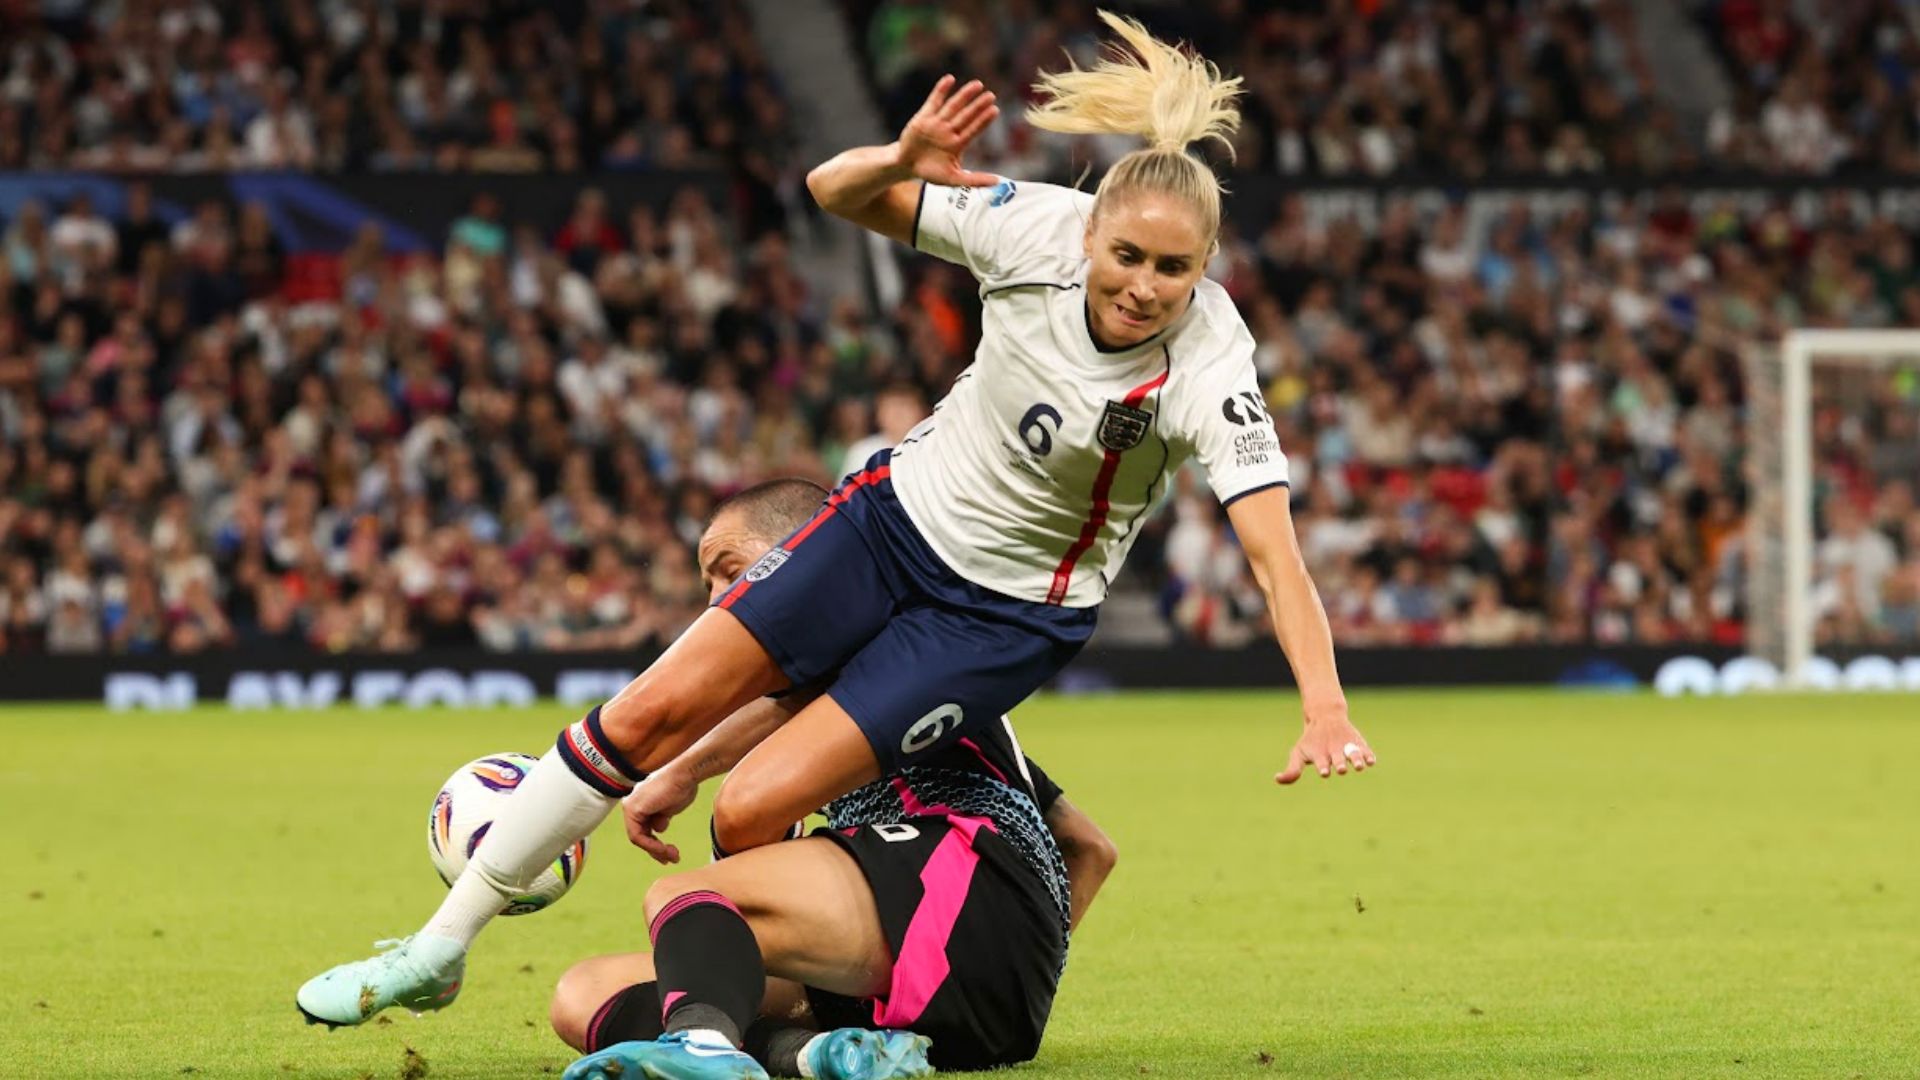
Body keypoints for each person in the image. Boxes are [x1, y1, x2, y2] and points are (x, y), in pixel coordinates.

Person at [298, 14, 1373, 1077]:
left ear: (1208, 268)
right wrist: (902, 162)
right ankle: (443, 946)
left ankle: (777, 1027)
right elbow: (833, 192)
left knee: (758, 806)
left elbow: (1275, 558)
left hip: (999, 613)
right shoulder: (1032, 228)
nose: (1142, 286)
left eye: (1173, 271)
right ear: (1089, 230)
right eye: (1127, 254)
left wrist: (1323, 704)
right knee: (648, 713)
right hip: (886, 520)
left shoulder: (1213, 368)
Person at [546, 479, 1118, 1079]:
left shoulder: (891, 639)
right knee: (585, 992)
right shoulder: (940, 699)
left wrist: (686, 770)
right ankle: (812, 1054)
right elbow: (1092, 849)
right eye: (708, 585)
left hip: (957, 888)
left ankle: (704, 1052)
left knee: (686, 895)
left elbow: (762, 776)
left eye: (730, 571)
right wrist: (1018, 978)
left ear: (810, 557)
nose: (718, 603)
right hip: (942, 996)